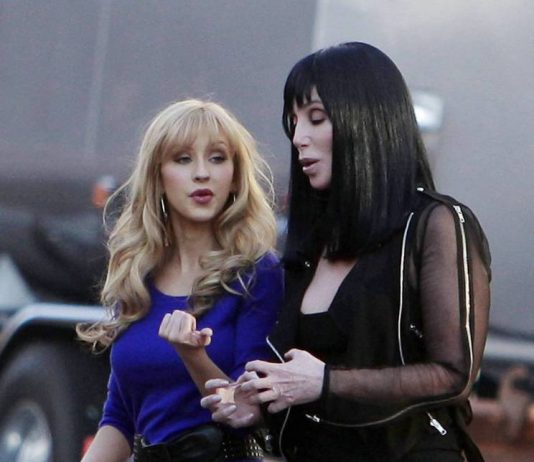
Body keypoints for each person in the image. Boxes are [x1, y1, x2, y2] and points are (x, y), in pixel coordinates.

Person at [201, 42, 491, 462]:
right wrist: (258, 406)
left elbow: (454, 374)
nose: (298, 138)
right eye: (293, 122)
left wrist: (325, 382)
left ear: (368, 120)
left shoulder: (436, 223)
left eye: (316, 118)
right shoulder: (313, 243)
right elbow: (301, 383)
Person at [77, 98, 283, 462]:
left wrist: (193, 355)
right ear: (157, 177)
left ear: (236, 176)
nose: (202, 173)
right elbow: (120, 416)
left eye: (217, 158)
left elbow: (245, 409)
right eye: (183, 159)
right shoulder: (137, 275)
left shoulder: (257, 273)